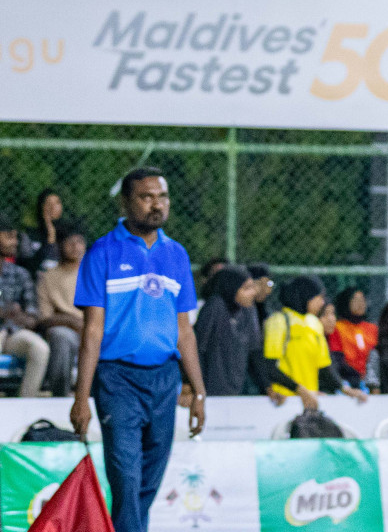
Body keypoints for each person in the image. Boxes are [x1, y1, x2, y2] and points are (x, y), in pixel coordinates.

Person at [71, 167, 206, 532]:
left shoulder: (177, 254)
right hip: (117, 379)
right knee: (126, 477)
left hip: (165, 378)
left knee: (149, 480)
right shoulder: (102, 252)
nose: (156, 205)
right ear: (126, 203)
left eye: (162, 197)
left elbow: (184, 331)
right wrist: (81, 397)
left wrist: (198, 391)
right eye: (146, 197)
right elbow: (92, 330)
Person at [263, 276, 365, 408]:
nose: (322, 302)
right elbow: (270, 366)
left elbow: (324, 366)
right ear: (306, 296)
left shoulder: (314, 323)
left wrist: (345, 389)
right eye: (319, 297)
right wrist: (299, 389)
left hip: (310, 399)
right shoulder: (279, 321)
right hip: (283, 399)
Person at [193, 265, 267, 396]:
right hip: (211, 389)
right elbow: (198, 348)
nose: (254, 292)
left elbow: (254, 351)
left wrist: (267, 385)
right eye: (246, 288)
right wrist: (194, 385)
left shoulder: (248, 310)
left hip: (237, 388)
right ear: (231, 289)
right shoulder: (215, 306)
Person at [0, 213, 51, 397]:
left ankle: (25, 403)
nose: (15, 242)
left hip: (12, 333)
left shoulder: (20, 274)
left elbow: (32, 316)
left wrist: (20, 317)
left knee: (39, 348)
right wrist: (5, 311)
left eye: (15, 237)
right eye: (9, 236)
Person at [35, 224, 88, 397]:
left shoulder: (94, 273)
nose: (75, 247)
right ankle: (61, 396)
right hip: (66, 331)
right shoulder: (48, 277)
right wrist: (71, 321)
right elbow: (44, 318)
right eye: (70, 242)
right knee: (60, 336)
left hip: (94, 328)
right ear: (59, 246)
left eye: (79, 242)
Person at [330, 287, 377, 383]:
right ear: (346, 302)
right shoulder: (337, 328)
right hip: (348, 378)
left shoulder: (372, 328)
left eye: (363, 300)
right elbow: (337, 358)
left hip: (371, 378)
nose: (361, 304)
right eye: (355, 300)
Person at [319, 302, 366, 389]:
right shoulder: (314, 341)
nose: (331, 319)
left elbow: (339, 365)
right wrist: (344, 388)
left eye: (332, 313)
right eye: (324, 314)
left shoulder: (331, 337)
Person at [22, 189, 67, 275]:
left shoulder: (68, 234)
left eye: (57, 203)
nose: (53, 207)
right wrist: (50, 238)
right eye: (48, 204)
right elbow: (29, 266)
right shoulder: (30, 235)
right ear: (41, 207)